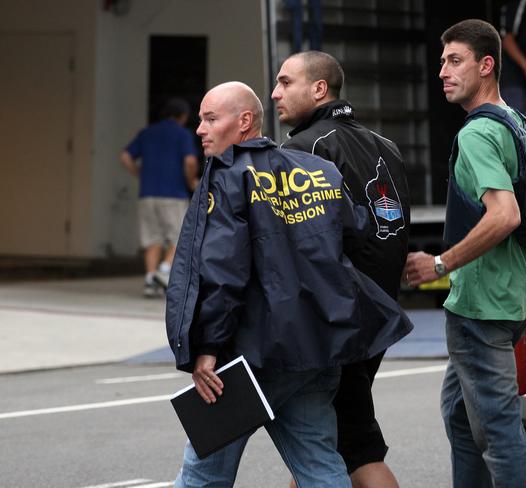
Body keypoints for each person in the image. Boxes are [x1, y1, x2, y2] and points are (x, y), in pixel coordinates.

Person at [165, 82, 413, 488]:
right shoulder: (318, 170)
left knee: (204, 468)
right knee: (318, 462)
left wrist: (207, 347)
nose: (200, 130)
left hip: (255, 350)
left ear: (244, 121)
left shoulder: (228, 177)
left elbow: (222, 271)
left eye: (211, 119)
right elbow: (359, 232)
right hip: (318, 347)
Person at [404, 19, 526, 487]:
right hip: (512, 302)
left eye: (455, 61)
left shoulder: (476, 134)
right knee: (460, 418)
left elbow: (505, 215)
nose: (442, 72)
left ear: (486, 65)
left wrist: (440, 263)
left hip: (481, 309)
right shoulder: (524, 127)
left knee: (499, 433)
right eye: (442, 62)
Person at [272, 50, 410, 488]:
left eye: (285, 82)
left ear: (319, 89)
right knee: (323, 444)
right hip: (378, 316)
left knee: (354, 446)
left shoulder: (302, 148)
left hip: (336, 324)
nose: (275, 93)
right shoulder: (385, 146)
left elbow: (298, 247)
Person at [120, 98, 199, 297]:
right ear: (183, 117)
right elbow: (190, 161)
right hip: (173, 193)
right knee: (179, 236)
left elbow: (125, 156)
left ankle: (149, 280)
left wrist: (138, 173)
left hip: (147, 194)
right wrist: (191, 181)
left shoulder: (147, 132)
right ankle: (164, 271)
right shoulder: (182, 134)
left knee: (151, 238)